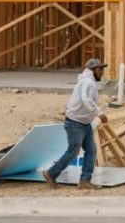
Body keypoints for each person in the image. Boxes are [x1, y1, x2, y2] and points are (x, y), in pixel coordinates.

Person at [42, 58, 107, 190]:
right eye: (100, 69)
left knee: (91, 150)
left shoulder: (88, 81)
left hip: (84, 123)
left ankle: (85, 180)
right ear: (93, 70)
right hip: (75, 123)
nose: (102, 72)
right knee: (73, 151)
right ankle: (51, 173)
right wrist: (99, 113)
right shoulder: (88, 82)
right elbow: (85, 99)